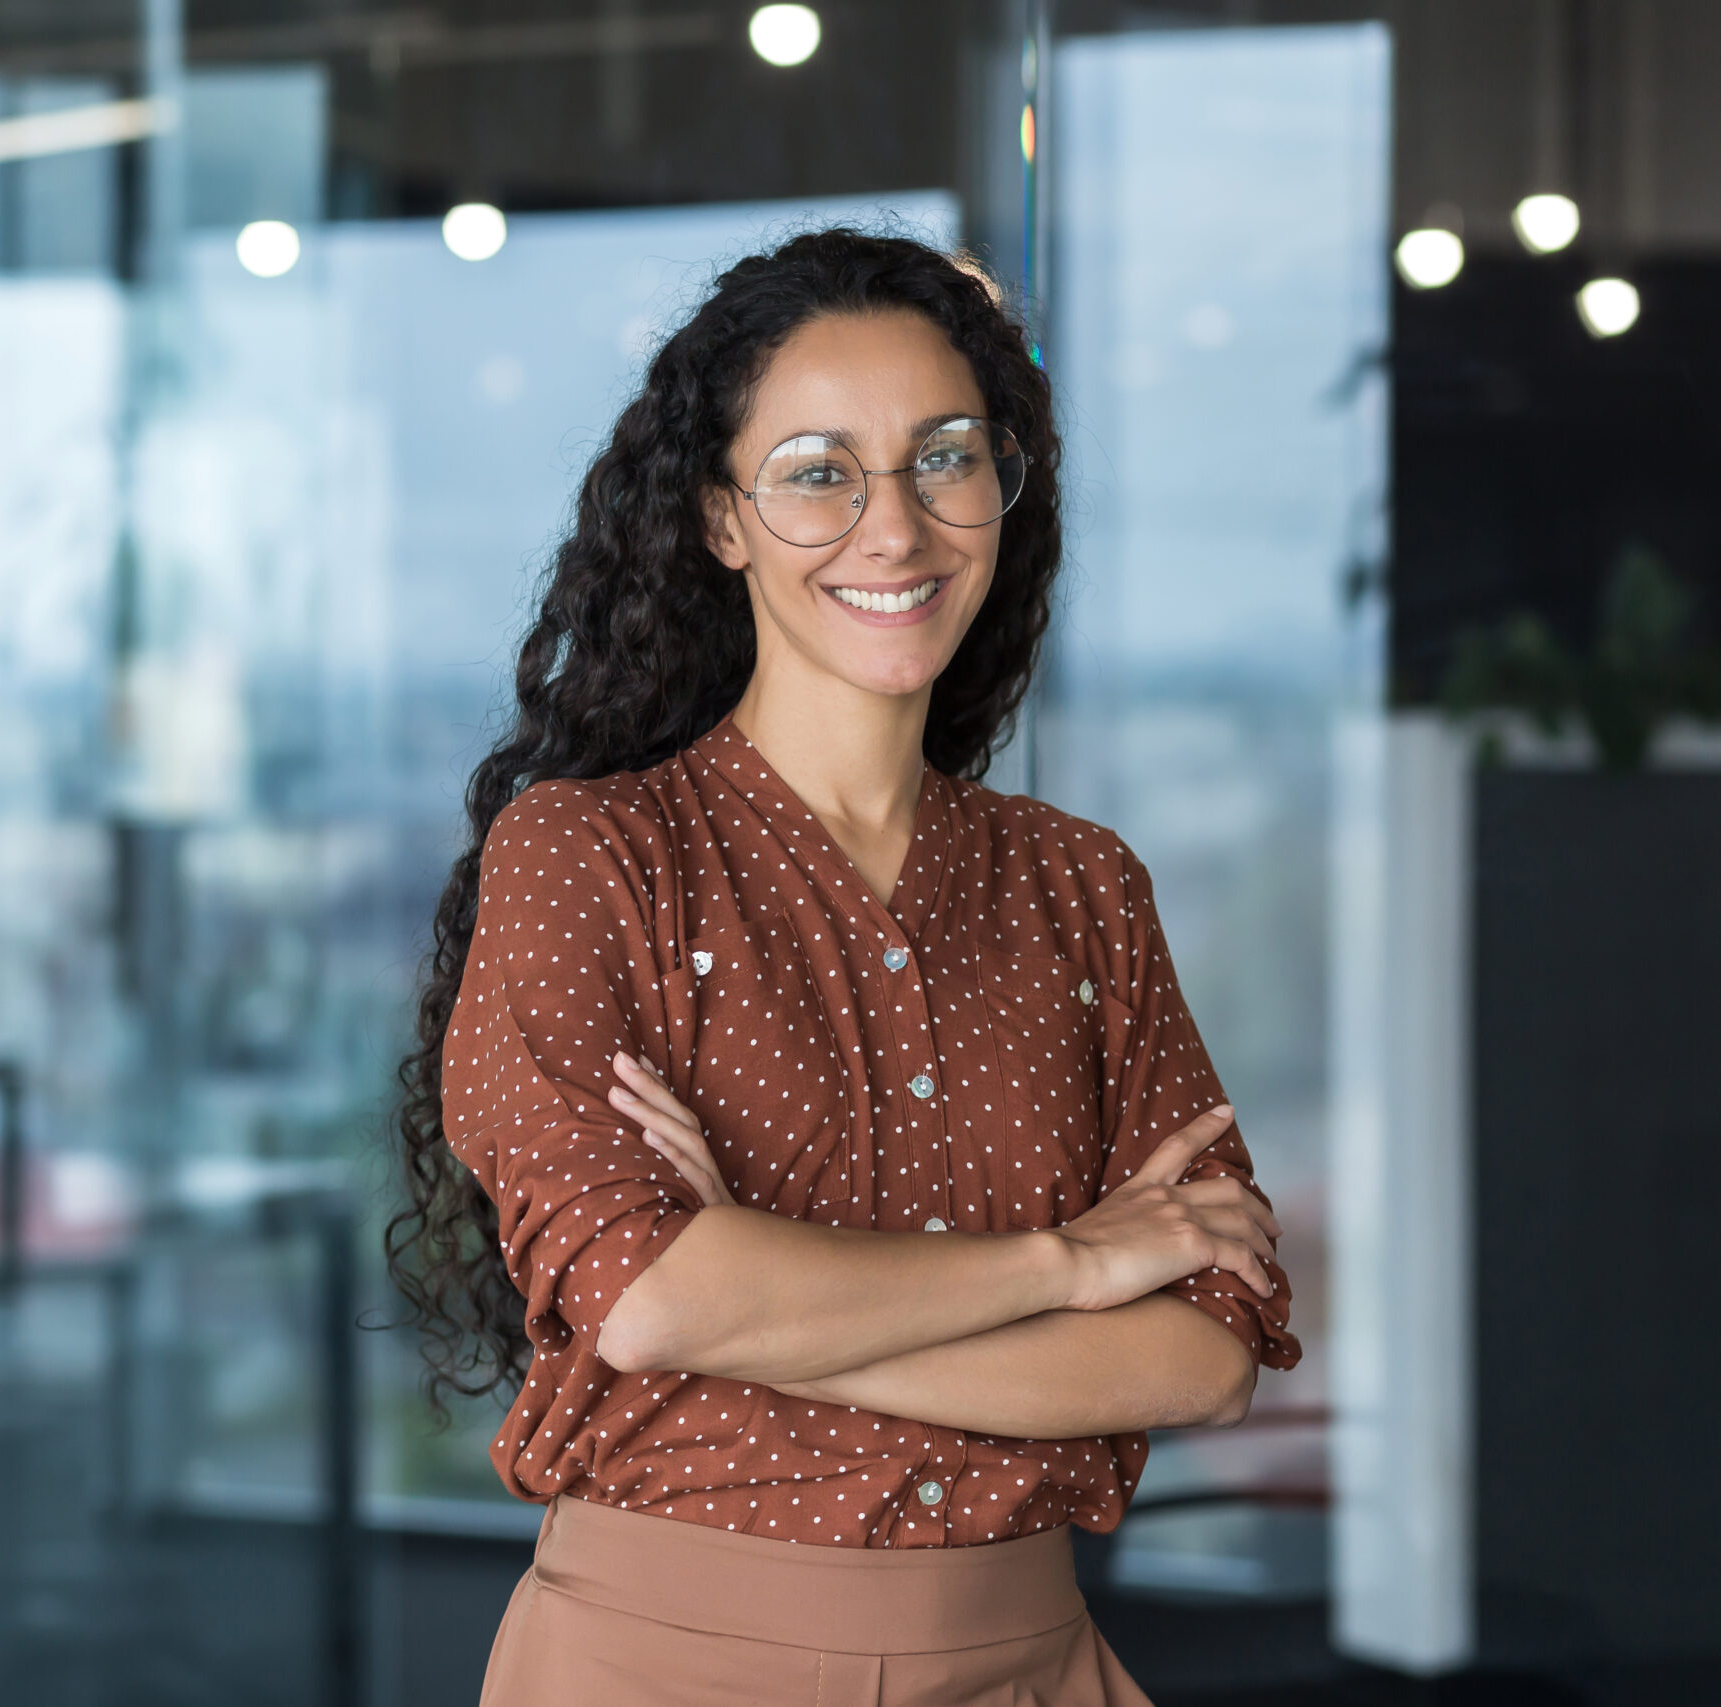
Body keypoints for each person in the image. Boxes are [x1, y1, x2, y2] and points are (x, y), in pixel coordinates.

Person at [387, 229, 1301, 1705]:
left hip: (1029, 1663)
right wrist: (1063, 1271)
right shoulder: (589, 858)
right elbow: (648, 1299)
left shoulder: (1083, 888)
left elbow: (1204, 1356)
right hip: (664, 1668)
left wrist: (753, 1289)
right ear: (721, 519)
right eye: (819, 470)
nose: (896, 528)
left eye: (945, 459)